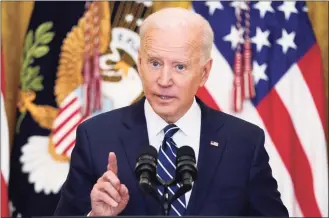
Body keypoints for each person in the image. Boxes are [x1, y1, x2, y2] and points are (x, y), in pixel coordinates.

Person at [54, 7, 289, 216]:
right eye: (155, 63)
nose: (164, 80)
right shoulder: (96, 136)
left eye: (180, 66)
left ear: (204, 73)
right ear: (140, 64)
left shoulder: (244, 142)